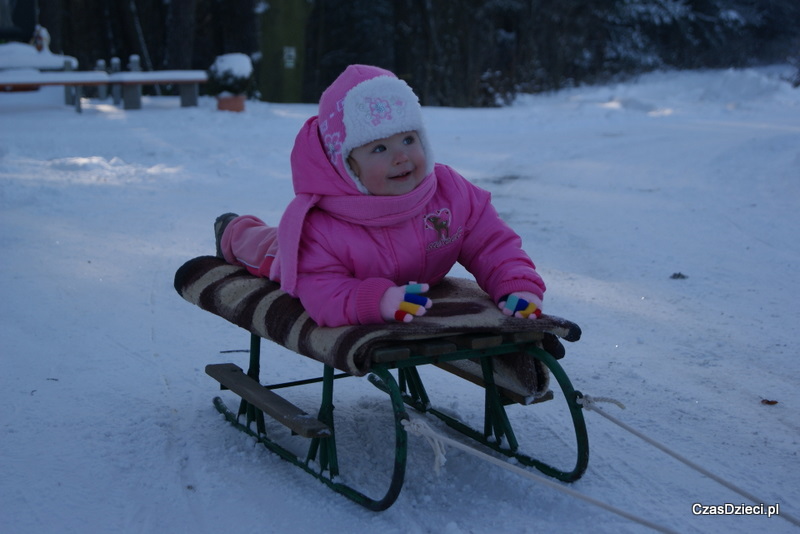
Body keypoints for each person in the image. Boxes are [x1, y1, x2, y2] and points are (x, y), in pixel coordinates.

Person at [216, 64, 546, 328]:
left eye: (408, 139)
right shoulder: (321, 228)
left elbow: (492, 243)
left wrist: (515, 282)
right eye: (379, 147)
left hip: (410, 276)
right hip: (298, 258)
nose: (400, 156)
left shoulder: (450, 192)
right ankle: (232, 230)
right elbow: (322, 290)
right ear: (347, 165)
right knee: (267, 248)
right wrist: (376, 299)